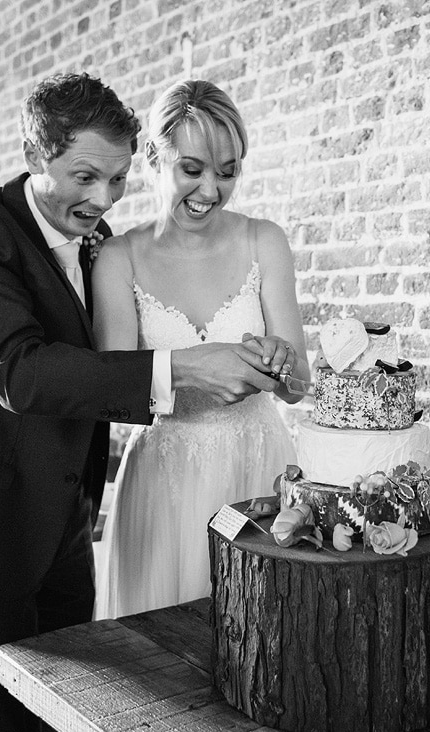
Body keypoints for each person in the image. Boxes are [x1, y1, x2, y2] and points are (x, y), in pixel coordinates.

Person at [0, 73, 289, 732]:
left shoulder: (97, 238)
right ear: (34, 153)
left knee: (73, 728)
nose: (104, 199)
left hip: (66, 524)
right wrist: (180, 368)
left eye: (115, 179)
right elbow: (20, 373)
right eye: (85, 176)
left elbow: (97, 373)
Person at [91, 79, 308, 621]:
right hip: (164, 475)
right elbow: (109, 395)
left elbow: (300, 385)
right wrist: (190, 374)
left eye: (227, 172)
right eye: (192, 169)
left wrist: (281, 365)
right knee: (165, 643)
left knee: (266, 631)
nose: (210, 190)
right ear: (152, 158)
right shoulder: (117, 259)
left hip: (257, 465)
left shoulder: (265, 241)